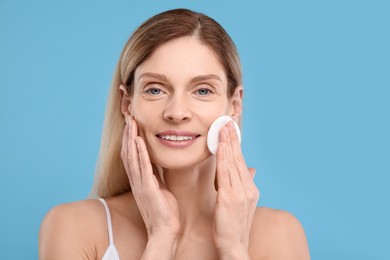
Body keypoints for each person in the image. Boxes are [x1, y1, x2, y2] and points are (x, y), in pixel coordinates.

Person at [39, 8, 310, 259]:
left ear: (234, 105)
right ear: (126, 103)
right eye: (155, 89)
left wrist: (234, 248)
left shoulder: (280, 233)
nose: (177, 112)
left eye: (202, 90)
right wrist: (161, 237)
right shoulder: (73, 226)